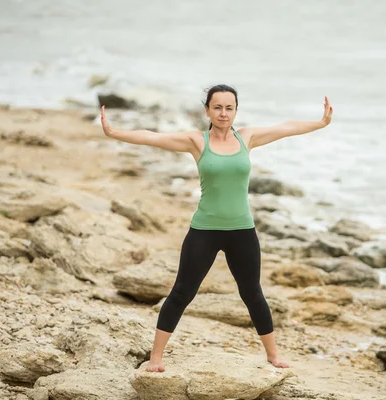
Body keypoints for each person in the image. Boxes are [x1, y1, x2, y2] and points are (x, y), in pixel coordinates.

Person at [100, 84, 333, 372]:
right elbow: (152, 137)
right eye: (218, 107)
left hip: (242, 230)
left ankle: (273, 355)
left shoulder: (247, 137)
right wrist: (114, 133)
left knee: (252, 293)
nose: (224, 113)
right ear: (207, 110)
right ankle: (156, 358)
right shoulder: (196, 141)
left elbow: (286, 127)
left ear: (236, 110)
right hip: (204, 230)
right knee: (182, 292)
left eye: (229, 107)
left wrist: (320, 123)